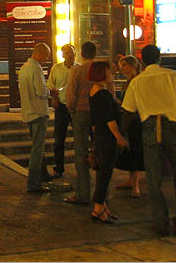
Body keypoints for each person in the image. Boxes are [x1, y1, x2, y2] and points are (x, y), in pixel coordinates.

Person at [121, 44, 176, 236]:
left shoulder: (137, 82)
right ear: (160, 59)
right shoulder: (172, 76)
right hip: (174, 128)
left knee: (153, 178)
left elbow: (128, 112)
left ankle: (160, 221)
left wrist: (122, 135)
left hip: (149, 129)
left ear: (141, 61)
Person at [64, 41, 113, 204]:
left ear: (82, 54)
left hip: (81, 113)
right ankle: (102, 195)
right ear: (95, 52)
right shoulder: (102, 69)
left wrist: (73, 111)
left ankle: (83, 193)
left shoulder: (77, 71)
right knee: (101, 152)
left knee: (81, 153)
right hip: (99, 115)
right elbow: (110, 93)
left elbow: (70, 95)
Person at [89, 61, 129, 223]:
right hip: (106, 138)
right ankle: (98, 208)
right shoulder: (103, 95)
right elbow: (109, 119)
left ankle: (103, 205)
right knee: (105, 172)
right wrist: (119, 137)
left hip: (99, 135)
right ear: (102, 73)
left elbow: (94, 119)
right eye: (109, 71)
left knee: (102, 172)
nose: (112, 74)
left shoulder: (93, 92)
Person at [18, 43, 55, 193]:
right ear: (39, 54)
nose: (46, 60)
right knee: (37, 149)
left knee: (37, 146)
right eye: (46, 56)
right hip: (38, 112)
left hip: (28, 111)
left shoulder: (24, 67)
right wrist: (50, 92)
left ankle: (43, 174)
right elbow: (40, 91)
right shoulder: (36, 68)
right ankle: (33, 183)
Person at [47, 43, 79, 178]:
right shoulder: (56, 68)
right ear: (63, 55)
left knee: (79, 138)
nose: (70, 55)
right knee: (59, 139)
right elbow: (50, 85)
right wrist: (54, 96)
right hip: (61, 106)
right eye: (67, 53)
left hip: (76, 107)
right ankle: (59, 167)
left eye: (72, 53)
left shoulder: (79, 69)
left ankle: (81, 166)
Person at [115, 55, 144, 197]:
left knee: (135, 150)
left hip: (135, 120)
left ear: (133, 65)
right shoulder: (127, 83)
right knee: (129, 150)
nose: (123, 69)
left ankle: (136, 185)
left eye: (125, 65)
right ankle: (130, 180)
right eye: (121, 66)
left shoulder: (137, 81)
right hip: (127, 118)